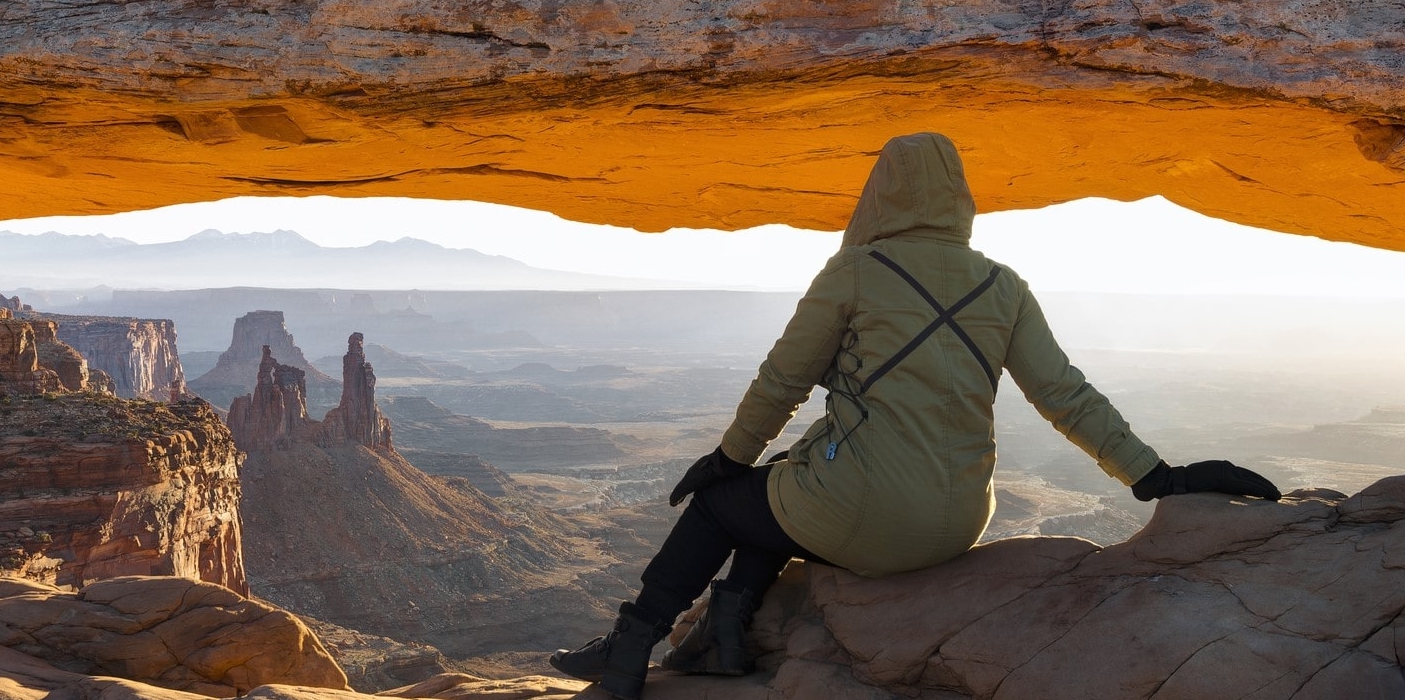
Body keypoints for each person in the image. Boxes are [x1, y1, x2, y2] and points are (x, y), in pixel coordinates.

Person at [547, 132, 1284, 700]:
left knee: (723, 503)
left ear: (881, 195)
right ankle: (727, 635)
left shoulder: (856, 273)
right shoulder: (1004, 285)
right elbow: (1065, 394)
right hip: (961, 523)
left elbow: (783, 379)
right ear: (959, 197)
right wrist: (1155, 477)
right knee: (781, 491)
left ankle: (630, 644)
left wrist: (729, 457)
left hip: (864, 512)